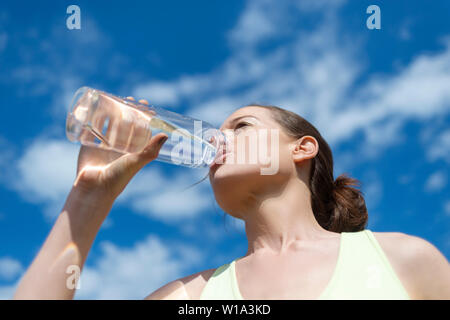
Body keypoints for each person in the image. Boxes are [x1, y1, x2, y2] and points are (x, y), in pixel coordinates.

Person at [13, 99, 450, 300]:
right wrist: (88, 196)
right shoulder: (187, 296)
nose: (217, 140)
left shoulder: (403, 261)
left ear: (302, 149)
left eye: (241, 127)